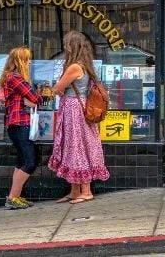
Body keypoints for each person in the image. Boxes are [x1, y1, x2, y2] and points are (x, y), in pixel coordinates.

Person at [48, 31, 110, 204]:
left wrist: (57, 89)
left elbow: (57, 89)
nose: (65, 47)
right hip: (78, 108)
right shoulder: (84, 64)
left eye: (67, 43)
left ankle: (86, 191)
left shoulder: (74, 67)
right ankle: (75, 190)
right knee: (75, 147)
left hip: (74, 109)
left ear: (72, 46)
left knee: (77, 147)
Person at [0, 46, 43, 210]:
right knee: (31, 161)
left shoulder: (11, 78)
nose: (30, 62)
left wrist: (32, 98)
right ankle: (12, 198)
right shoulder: (15, 78)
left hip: (17, 124)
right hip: (20, 123)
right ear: (20, 61)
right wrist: (35, 96)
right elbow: (35, 98)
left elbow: (32, 99)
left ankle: (15, 196)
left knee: (21, 161)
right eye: (28, 59)